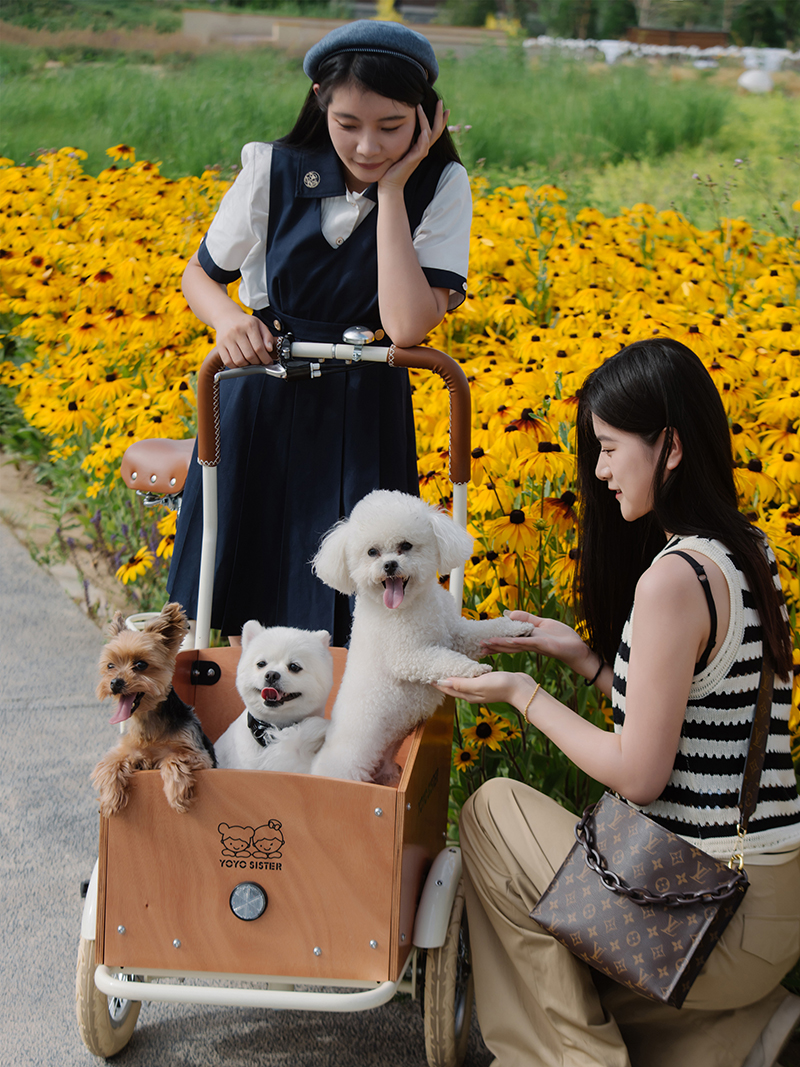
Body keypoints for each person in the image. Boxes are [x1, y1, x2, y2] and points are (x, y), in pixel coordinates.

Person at [436, 339, 800, 1067]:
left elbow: (641, 775)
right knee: (577, 915)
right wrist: (586, 659)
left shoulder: (672, 579)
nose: (598, 472)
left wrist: (523, 692)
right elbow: (696, 726)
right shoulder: (743, 551)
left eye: (608, 448)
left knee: (491, 811)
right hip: (771, 903)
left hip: (713, 913)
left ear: (668, 445)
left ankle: (575, 1058)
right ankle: (728, 1032)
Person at [167, 21, 471, 644]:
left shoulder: (440, 186)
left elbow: (408, 325)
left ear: (428, 116)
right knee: (238, 597)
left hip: (365, 408)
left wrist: (392, 190)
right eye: (348, 123)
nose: (366, 146)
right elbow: (199, 274)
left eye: (392, 127)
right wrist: (230, 322)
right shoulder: (272, 168)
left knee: (360, 607)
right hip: (263, 391)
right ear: (319, 103)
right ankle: (238, 731)